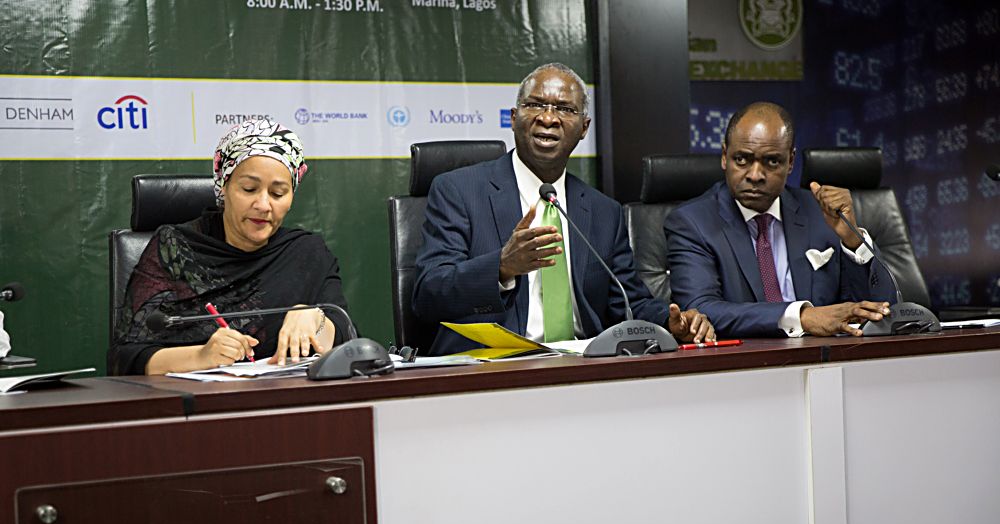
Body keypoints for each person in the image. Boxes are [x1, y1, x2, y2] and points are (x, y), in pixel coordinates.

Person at [412, 62, 714, 354]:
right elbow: (428, 293)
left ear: (583, 128)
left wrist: (672, 322)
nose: (548, 118)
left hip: (582, 365)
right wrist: (501, 267)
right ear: (514, 117)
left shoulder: (603, 212)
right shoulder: (459, 191)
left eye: (565, 109)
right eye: (535, 105)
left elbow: (628, 302)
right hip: (490, 366)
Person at [110, 119, 349, 375]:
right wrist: (201, 356)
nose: (263, 205)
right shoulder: (176, 249)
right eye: (249, 189)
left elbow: (346, 339)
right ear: (223, 187)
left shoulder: (305, 253)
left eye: (278, 193)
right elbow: (126, 358)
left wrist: (317, 319)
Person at [665, 101, 897, 338]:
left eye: (772, 161)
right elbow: (699, 311)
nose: (755, 175)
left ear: (791, 162)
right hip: (745, 364)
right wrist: (802, 317)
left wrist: (852, 240)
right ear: (725, 156)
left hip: (827, 359)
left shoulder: (820, 212)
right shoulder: (692, 223)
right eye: (742, 160)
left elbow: (884, 308)